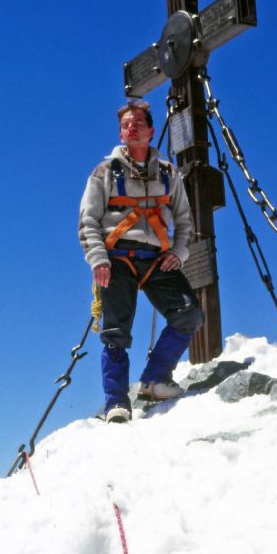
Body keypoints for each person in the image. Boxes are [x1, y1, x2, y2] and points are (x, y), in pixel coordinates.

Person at [79, 99, 204, 423]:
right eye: (125, 125)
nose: (130, 128)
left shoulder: (168, 174)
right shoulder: (104, 173)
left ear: (150, 130)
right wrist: (98, 259)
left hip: (157, 259)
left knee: (189, 313)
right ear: (121, 134)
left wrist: (178, 252)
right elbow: (88, 220)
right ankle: (116, 402)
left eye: (137, 123)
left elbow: (185, 220)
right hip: (117, 259)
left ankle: (155, 378)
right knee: (115, 331)